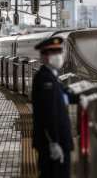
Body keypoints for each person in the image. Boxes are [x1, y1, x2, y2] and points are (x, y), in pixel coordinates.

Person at [32, 36, 73, 178]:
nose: (58, 56)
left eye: (59, 52)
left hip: (56, 141)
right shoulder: (45, 79)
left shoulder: (51, 76)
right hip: (54, 143)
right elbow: (49, 114)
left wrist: (80, 97)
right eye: (53, 53)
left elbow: (64, 95)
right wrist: (54, 142)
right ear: (44, 57)